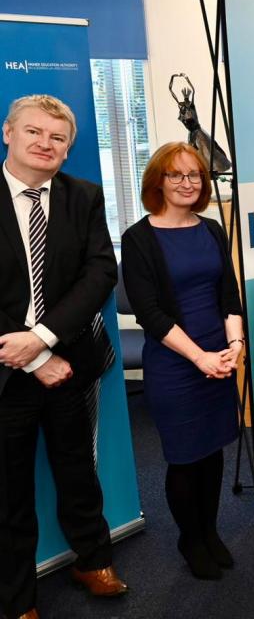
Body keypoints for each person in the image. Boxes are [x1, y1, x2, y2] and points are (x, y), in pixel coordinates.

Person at [0, 95, 126, 619]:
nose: (44, 144)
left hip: (69, 363)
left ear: (68, 148)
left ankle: (92, 559)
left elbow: (99, 274)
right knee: (8, 491)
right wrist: (30, 356)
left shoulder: (84, 196)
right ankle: (16, 597)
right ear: (8, 133)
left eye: (57, 138)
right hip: (5, 373)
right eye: (33, 132)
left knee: (78, 470)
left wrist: (46, 337)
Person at [121, 142, 243, 580]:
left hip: (219, 356)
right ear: (158, 182)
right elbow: (150, 314)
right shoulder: (138, 238)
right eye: (176, 175)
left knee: (212, 454)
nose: (187, 183)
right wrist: (200, 358)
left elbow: (228, 294)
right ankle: (189, 539)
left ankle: (209, 532)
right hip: (176, 362)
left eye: (194, 175)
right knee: (185, 458)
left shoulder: (211, 229)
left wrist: (235, 346)